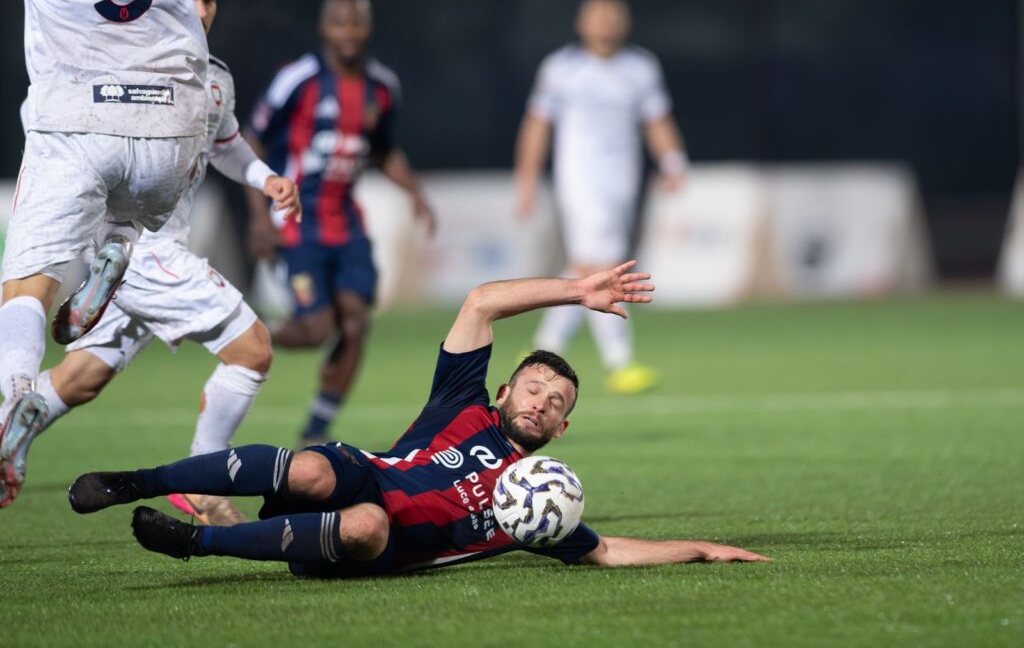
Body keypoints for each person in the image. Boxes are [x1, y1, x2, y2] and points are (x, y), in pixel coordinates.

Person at [68, 261, 769, 576]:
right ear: (504, 391)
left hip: (359, 545)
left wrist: (702, 549)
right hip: (360, 474)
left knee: (369, 525)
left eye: (556, 403)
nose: (540, 401)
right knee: (314, 468)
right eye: (533, 388)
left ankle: (195, 543)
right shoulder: (462, 400)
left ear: (561, 431)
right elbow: (481, 302)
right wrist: (575, 290)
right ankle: (135, 481)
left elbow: (606, 550)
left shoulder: (535, 503)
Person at [0, 0, 302, 517]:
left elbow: (228, 143)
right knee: (253, 350)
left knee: (78, 377)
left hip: (122, 193)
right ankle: (205, 487)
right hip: (154, 244)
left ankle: (13, 408)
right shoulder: (168, 69)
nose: (203, 10)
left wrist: (266, 179)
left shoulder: (213, 77)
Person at [0, 0, 212, 507]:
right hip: (174, 120)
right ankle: (119, 241)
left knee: (26, 289)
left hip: (77, 112)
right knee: (130, 205)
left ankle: (14, 399)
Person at [245, 0, 436, 447]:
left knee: (355, 323)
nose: (348, 32)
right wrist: (258, 217)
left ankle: (316, 428)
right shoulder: (299, 79)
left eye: (356, 22)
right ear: (324, 27)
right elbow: (251, 139)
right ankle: (247, 332)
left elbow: (384, 151)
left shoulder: (382, 87)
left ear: (368, 27)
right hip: (296, 220)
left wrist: (416, 193)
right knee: (316, 330)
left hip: (347, 223)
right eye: (339, 22)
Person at [515, 0, 690, 395]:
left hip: (622, 181)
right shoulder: (561, 68)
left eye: (614, 17)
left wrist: (673, 160)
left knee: (586, 266)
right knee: (606, 265)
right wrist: (526, 179)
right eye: (598, 17)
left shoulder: (640, 67)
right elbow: (537, 124)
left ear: (626, 24)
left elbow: (656, 118)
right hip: (579, 178)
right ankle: (619, 363)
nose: (606, 24)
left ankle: (543, 349)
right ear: (581, 23)